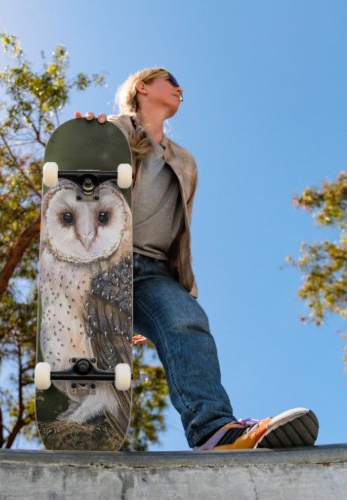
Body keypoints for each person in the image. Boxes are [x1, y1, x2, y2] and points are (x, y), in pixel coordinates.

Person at [75, 67, 319, 450]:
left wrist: (163, 301)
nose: (179, 89)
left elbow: (178, 230)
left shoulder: (185, 161)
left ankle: (214, 432)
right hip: (104, 259)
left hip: (153, 271)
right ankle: (88, 434)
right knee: (97, 356)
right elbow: (77, 180)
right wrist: (86, 138)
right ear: (142, 87)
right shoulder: (113, 130)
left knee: (187, 320)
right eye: (170, 82)